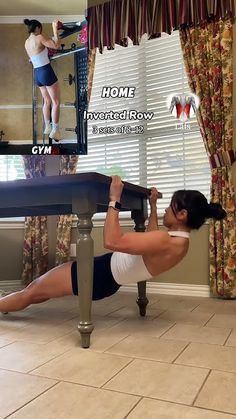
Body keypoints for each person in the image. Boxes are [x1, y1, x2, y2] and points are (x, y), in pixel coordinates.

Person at [0, 176, 226, 314]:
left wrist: (114, 200)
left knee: (31, 291)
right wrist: (154, 206)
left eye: (171, 207)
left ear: (183, 214)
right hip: (107, 279)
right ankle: (6, 304)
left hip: (100, 274)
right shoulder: (179, 243)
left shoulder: (166, 240)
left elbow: (111, 241)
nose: (167, 209)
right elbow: (152, 239)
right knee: (39, 293)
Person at [24, 19, 61, 141]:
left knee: (47, 101)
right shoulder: (39, 37)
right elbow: (56, 45)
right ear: (37, 28)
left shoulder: (26, 42)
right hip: (46, 71)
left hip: (37, 74)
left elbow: (34, 57)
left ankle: (48, 127)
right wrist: (55, 29)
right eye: (41, 29)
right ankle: (55, 130)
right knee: (56, 102)